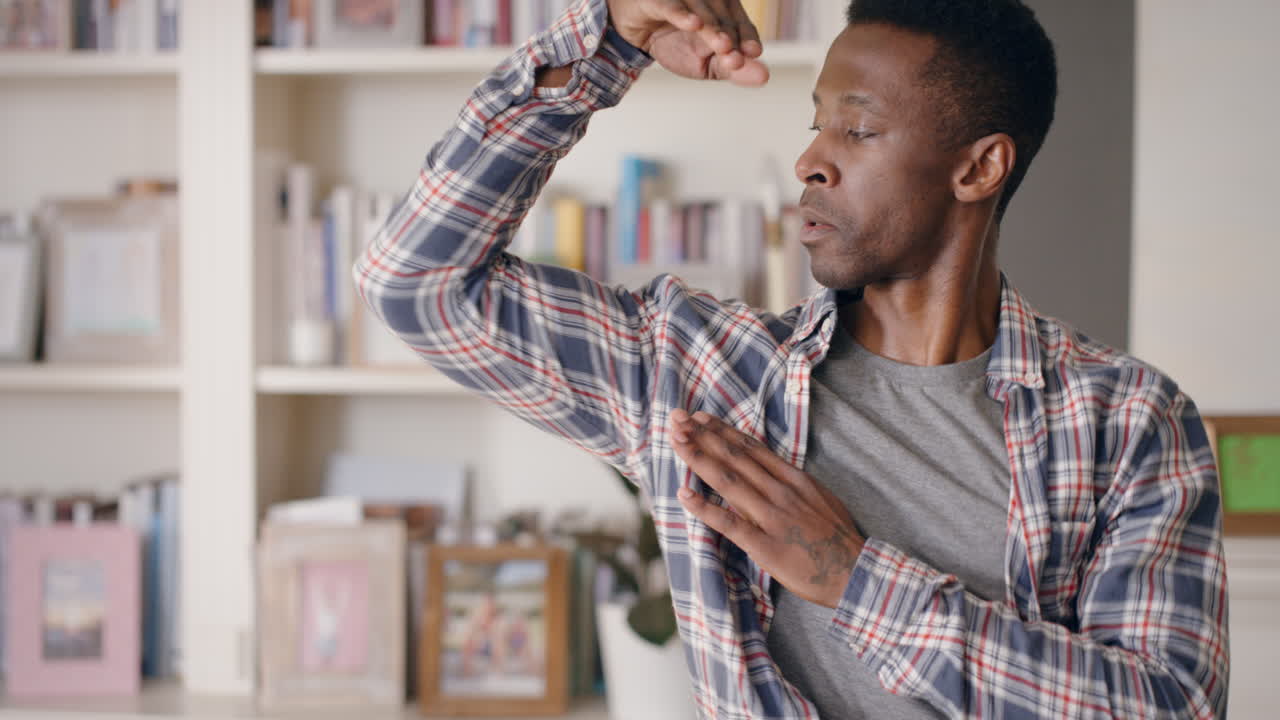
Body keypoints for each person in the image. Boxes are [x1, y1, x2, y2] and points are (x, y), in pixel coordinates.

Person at [353, 0, 1229, 717]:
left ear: (979, 169)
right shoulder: (702, 373)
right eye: (816, 126)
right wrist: (605, 45)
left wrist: (853, 580)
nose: (810, 161)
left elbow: (1170, 706)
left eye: (857, 131)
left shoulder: (1127, 421)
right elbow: (416, 281)